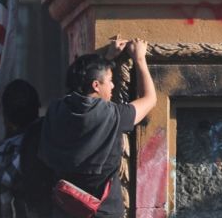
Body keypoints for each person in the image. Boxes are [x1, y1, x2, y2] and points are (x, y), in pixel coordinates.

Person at [39, 39, 157, 218]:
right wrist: (140, 59)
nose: (113, 85)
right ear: (96, 85)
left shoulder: (56, 110)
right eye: (109, 80)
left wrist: (106, 58)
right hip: (102, 211)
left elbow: (76, 96)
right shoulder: (109, 114)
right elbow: (149, 100)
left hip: (64, 208)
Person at [0, 79, 54, 218]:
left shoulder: (2, 158)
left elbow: (1, 212)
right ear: (38, 108)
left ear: (6, 117)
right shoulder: (60, 138)